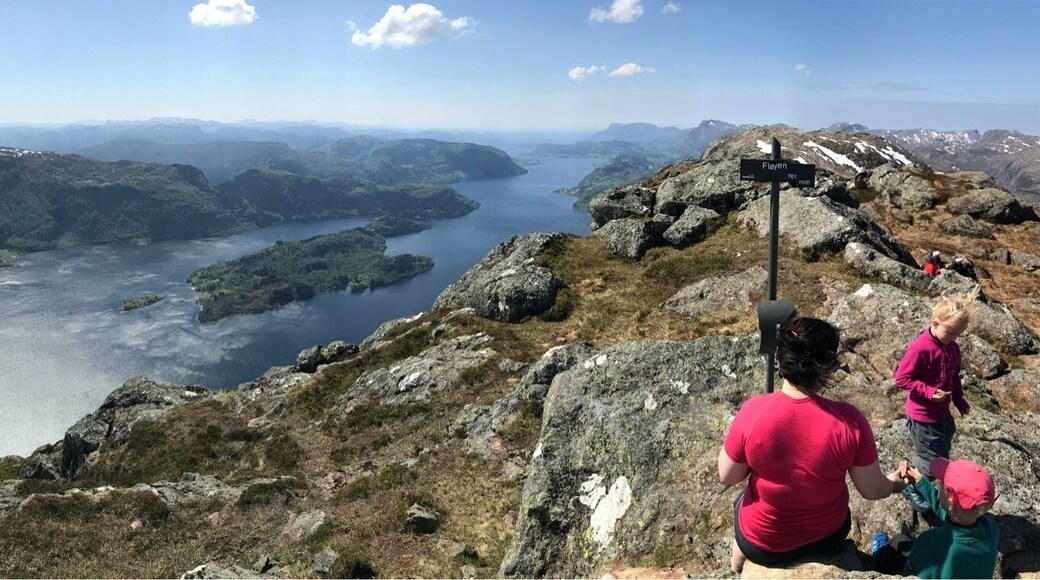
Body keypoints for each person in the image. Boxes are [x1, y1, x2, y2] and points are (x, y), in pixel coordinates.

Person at [718, 316, 910, 574]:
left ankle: (736, 567)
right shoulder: (849, 421)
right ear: (826, 368)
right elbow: (873, 489)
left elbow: (728, 476)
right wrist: (896, 483)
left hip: (763, 543)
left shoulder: (754, 411)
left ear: (781, 359)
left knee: (741, 502)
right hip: (828, 535)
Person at [894, 292, 975, 512]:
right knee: (934, 460)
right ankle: (911, 486)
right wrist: (928, 392)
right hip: (923, 416)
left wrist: (959, 400)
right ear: (935, 323)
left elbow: (954, 376)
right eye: (950, 332)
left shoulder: (952, 347)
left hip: (942, 412)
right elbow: (901, 378)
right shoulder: (921, 347)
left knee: (942, 449)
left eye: (958, 334)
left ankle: (923, 473)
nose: (954, 338)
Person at [872, 457, 999, 579]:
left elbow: (913, 576)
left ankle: (878, 558)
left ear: (951, 501)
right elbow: (953, 513)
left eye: (943, 481)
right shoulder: (991, 529)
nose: (939, 482)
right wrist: (919, 481)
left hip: (927, 564)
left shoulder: (930, 542)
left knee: (897, 543)